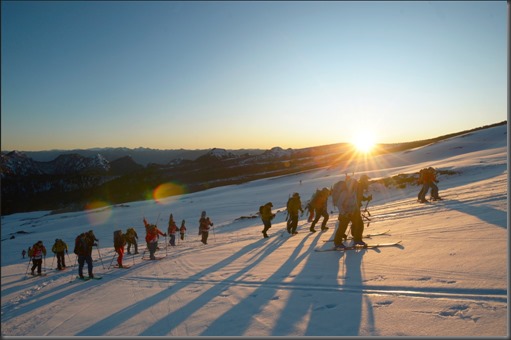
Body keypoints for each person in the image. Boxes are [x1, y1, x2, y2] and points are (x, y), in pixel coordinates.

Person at [332, 175, 372, 249]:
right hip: (345, 213)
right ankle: (337, 243)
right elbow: (339, 204)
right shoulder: (345, 193)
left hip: (353, 211)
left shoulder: (354, 191)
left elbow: (355, 201)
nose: (356, 186)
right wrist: (344, 213)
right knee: (342, 228)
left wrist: (356, 210)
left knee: (359, 224)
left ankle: (357, 240)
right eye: (354, 185)